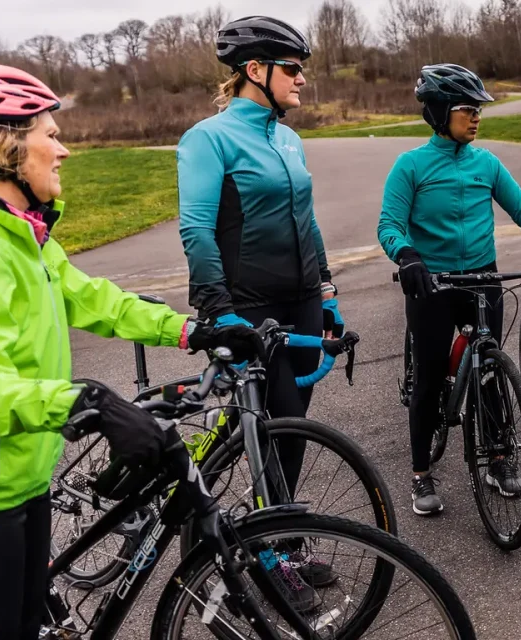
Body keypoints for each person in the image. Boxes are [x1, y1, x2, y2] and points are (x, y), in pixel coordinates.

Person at [0, 63, 260, 640]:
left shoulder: (16, 232)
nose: (64, 151)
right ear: (2, 149)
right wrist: (91, 402)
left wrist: (190, 332)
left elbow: (91, 298)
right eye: (49, 135)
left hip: (15, 482)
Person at [380, 63, 521, 517]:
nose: (477, 117)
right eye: (468, 109)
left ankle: (500, 460)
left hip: (483, 279)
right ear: (440, 112)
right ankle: (420, 473)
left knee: (490, 368)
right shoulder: (410, 165)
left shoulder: (486, 163)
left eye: (478, 109)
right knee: (429, 377)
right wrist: (407, 255)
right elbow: (389, 223)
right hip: (432, 283)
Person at [177, 16, 335, 514]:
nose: (302, 79)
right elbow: (196, 230)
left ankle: (214, 489)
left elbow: (306, 220)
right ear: (254, 70)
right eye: (292, 68)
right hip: (248, 306)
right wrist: (217, 308)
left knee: (287, 424)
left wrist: (326, 289)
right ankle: (280, 544)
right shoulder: (209, 138)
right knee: (283, 424)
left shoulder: (289, 140)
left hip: (303, 298)